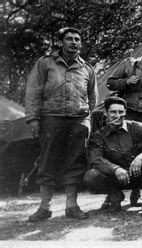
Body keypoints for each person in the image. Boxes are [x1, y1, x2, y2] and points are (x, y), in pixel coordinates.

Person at [25, 27, 98, 222]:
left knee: (75, 162)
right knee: (48, 161)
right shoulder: (45, 64)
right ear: (61, 42)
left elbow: (93, 99)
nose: (74, 42)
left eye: (77, 39)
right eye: (69, 39)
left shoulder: (87, 69)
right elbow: (33, 92)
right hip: (51, 118)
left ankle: (71, 206)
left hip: (78, 121)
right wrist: (33, 119)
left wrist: (86, 121)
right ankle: (44, 207)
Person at [83, 97, 142, 218]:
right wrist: (115, 169)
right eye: (113, 112)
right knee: (91, 176)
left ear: (125, 112)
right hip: (117, 178)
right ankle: (115, 195)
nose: (117, 115)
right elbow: (95, 159)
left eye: (121, 112)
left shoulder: (138, 126)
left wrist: (141, 157)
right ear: (105, 113)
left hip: (140, 174)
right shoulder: (98, 136)